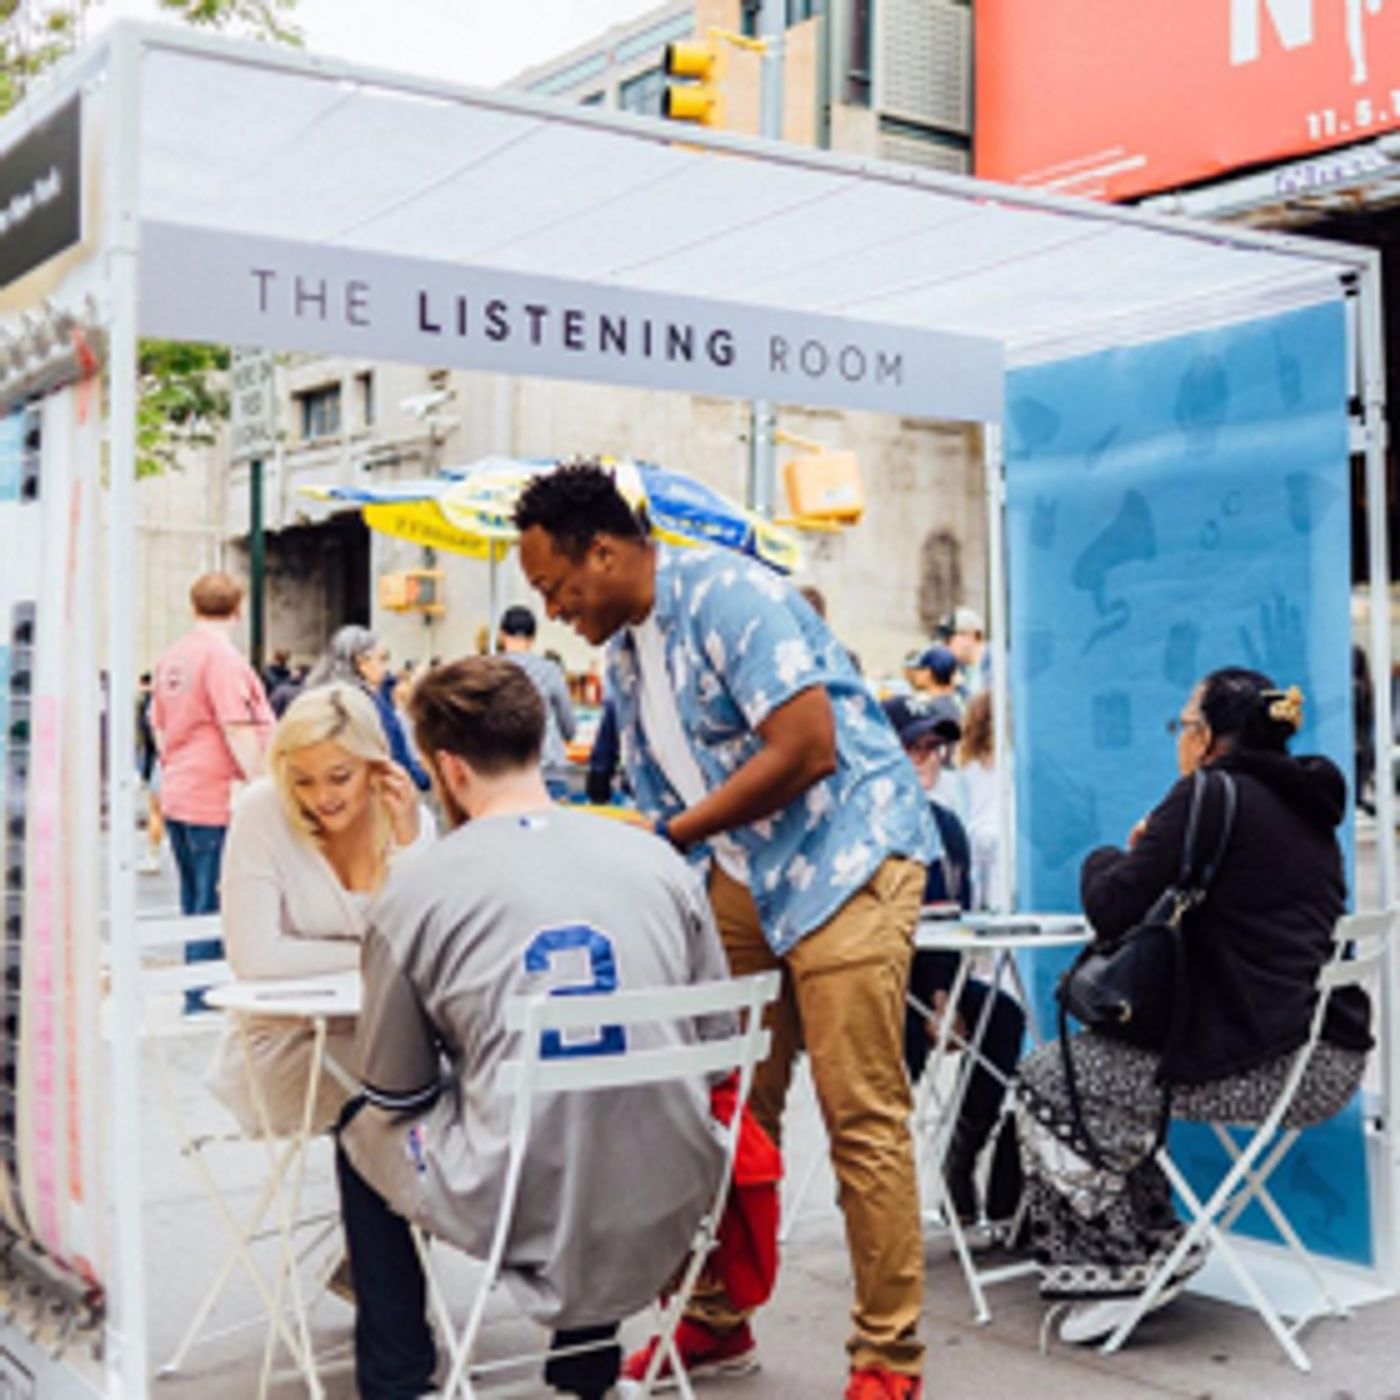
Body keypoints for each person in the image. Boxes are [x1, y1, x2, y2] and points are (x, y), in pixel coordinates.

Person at [514, 461, 935, 1399]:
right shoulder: (624, 654)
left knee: (858, 1110)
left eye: (557, 586)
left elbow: (807, 746)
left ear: (609, 550)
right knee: (726, 1106)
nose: (553, 610)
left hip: (847, 855)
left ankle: (886, 1358)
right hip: (746, 871)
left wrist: (669, 834)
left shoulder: (730, 592)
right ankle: (715, 1318)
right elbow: (671, 805)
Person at [337, 658, 733, 1400]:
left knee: (361, 1127)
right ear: (536, 740)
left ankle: (397, 1382)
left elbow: (399, 1088)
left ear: (448, 768)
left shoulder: (417, 891)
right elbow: (713, 1047)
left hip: (519, 1188)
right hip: (673, 1183)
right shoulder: (656, 860)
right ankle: (585, 1363)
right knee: (602, 1099)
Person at [1017, 667, 1373, 1345]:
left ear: (1208, 737)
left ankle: (1122, 1264)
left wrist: (1108, 854)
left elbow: (1111, 905)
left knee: (1049, 1074)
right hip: (1326, 1056)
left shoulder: (1207, 794)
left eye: (1183, 725)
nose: (1178, 738)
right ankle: (1155, 1242)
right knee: (1107, 1068)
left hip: (1267, 1064)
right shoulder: (1308, 809)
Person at [208, 684, 431, 1135]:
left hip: (385, 1034)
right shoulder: (262, 811)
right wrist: (374, 955)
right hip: (286, 1042)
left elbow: (425, 945)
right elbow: (254, 958)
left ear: (375, 764)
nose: (321, 797)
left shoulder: (406, 817)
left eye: (339, 776)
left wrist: (408, 847)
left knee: (423, 1078)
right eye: (302, 780)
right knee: (428, 1090)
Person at [883, 695, 1025, 1227]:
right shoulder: (866, 824)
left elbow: (950, 924)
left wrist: (946, 993)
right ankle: (882, 1191)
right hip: (882, 983)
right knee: (898, 1044)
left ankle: (960, 1158)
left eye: (933, 747)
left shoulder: (947, 824)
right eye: (911, 746)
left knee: (1004, 1017)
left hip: (937, 977)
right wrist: (933, 1001)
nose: (926, 757)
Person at [151, 571, 273, 981]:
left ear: (193, 607)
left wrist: (173, 761)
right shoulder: (222, 660)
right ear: (239, 610)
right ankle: (203, 991)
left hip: (180, 789)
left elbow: (158, 725)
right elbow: (236, 725)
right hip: (217, 795)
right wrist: (260, 782)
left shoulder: (172, 656)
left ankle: (194, 985)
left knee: (193, 897)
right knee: (216, 901)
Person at [307, 625, 431, 792]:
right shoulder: (369, 704)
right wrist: (424, 777)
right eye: (382, 658)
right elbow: (395, 757)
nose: (386, 668)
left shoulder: (314, 699)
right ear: (361, 663)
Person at [497, 604, 578, 799]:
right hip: (549, 774)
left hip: (503, 775)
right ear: (533, 638)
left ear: (501, 635)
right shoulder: (550, 671)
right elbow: (569, 728)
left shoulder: (490, 672)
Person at [958, 692, 1003, 911]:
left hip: (974, 833)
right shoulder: (1012, 759)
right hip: (1003, 833)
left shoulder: (965, 764)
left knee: (976, 901)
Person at [135, 671, 164, 875]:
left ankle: (153, 856)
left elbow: (150, 732)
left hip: (165, 760)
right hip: (193, 765)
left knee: (156, 811)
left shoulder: (157, 703)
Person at [940, 606, 989, 702]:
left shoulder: (995, 662)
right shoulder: (961, 668)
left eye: (948, 639)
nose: (945, 646)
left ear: (970, 635)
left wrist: (961, 687)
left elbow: (988, 710)